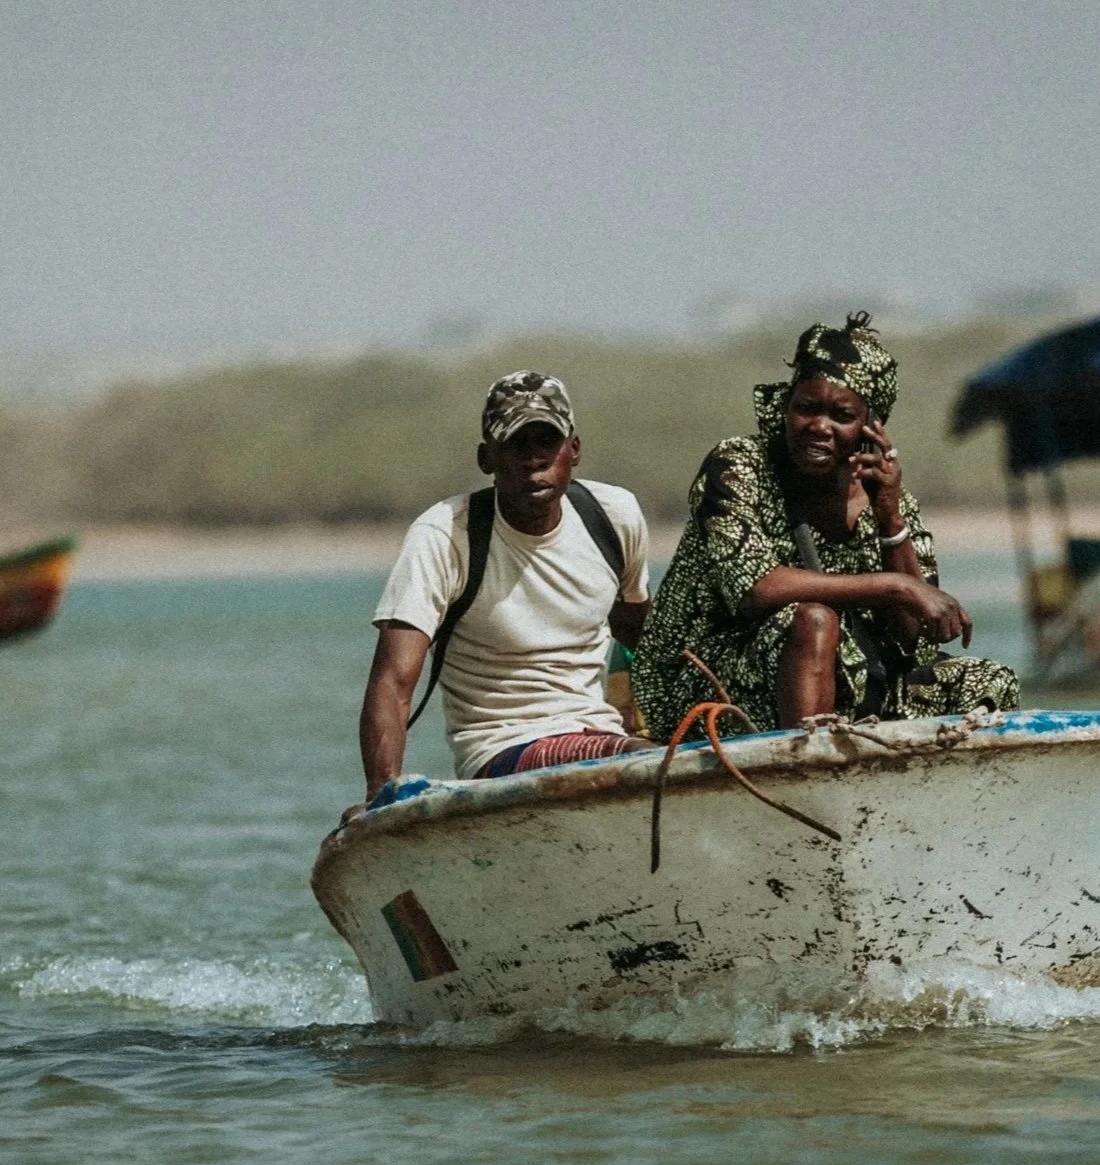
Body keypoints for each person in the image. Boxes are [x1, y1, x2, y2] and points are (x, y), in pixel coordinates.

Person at [632, 313, 1021, 738]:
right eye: (806, 408)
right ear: (786, 408)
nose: (819, 427)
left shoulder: (888, 495)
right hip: (711, 682)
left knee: (990, 680)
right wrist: (896, 585)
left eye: (841, 415)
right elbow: (756, 589)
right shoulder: (738, 466)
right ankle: (804, 769)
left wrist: (889, 516)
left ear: (870, 429)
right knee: (812, 620)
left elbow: (914, 639)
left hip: (850, 678)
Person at [352, 371, 652, 816]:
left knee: (688, 753)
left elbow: (641, 635)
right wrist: (380, 798)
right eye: (515, 444)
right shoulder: (445, 535)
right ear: (486, 458)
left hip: (602, 733)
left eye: (545, 441)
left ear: (574, 449)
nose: (533, 459)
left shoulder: (613, 516)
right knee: (648, 762)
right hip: (501, 749)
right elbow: (393, 681)